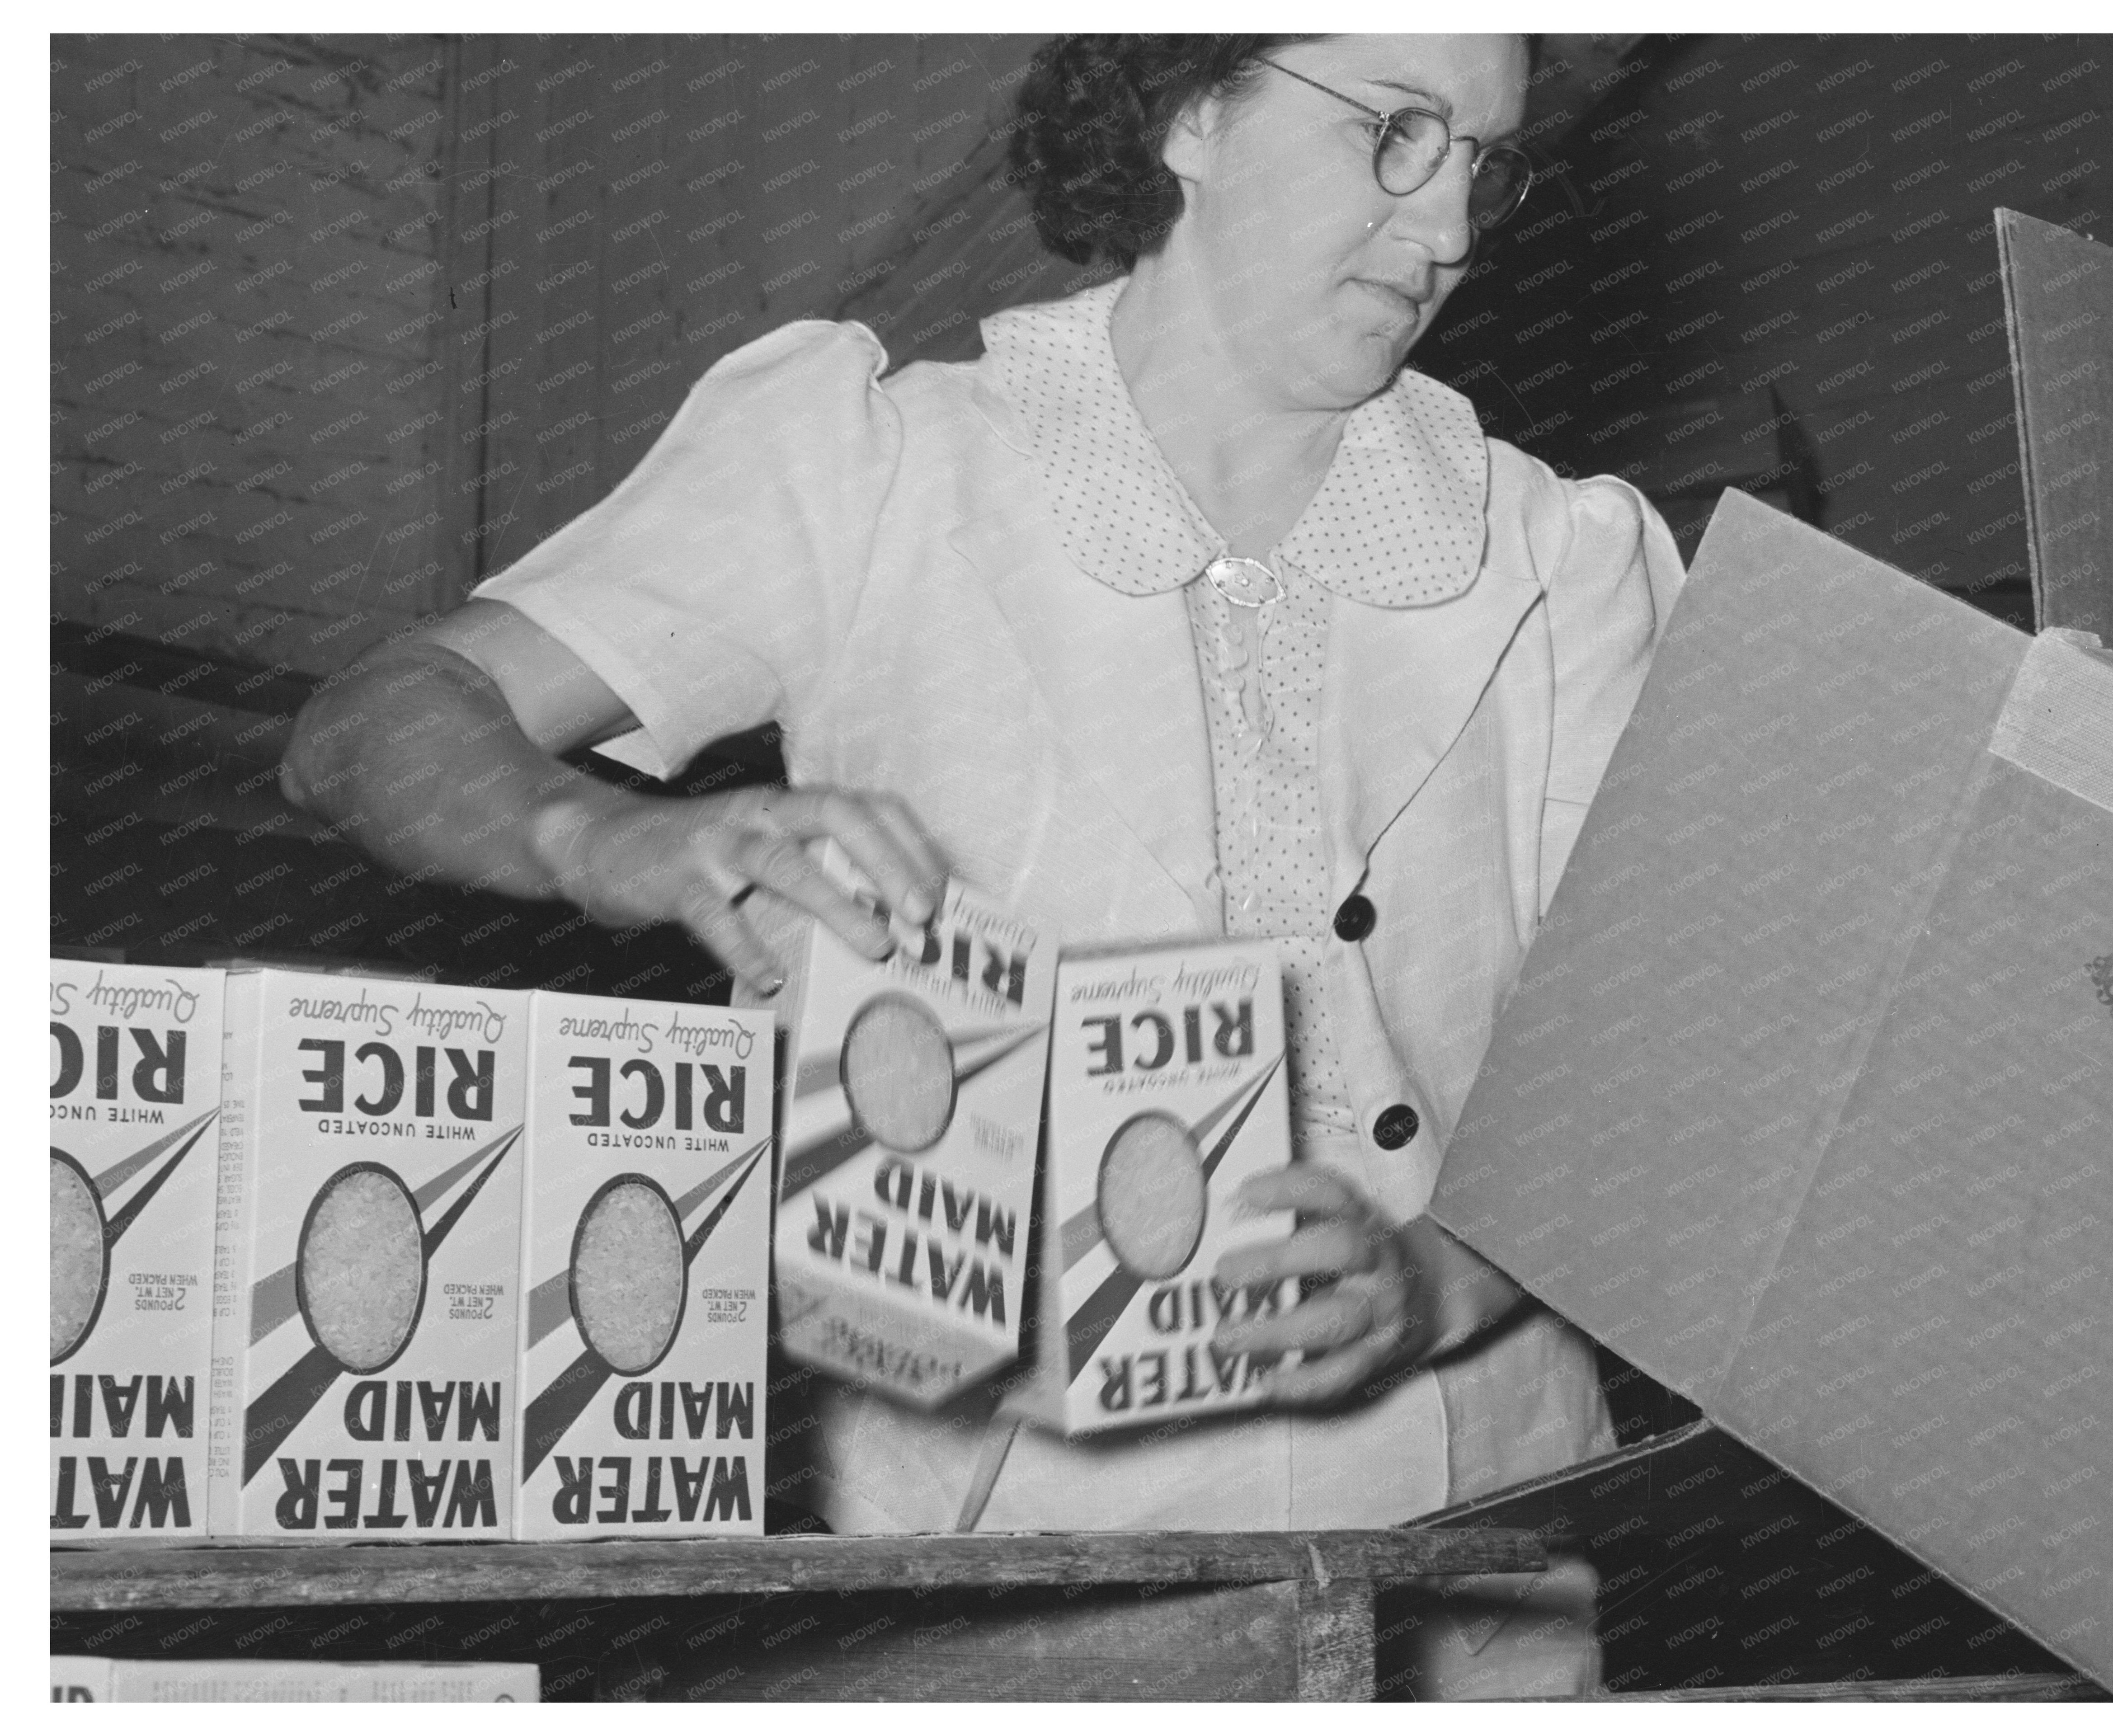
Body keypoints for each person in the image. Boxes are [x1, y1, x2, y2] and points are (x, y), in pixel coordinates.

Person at [283, 33, 1685, 1698]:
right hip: (1009, 1581)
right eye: (1396, 132)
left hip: (1471, 1565)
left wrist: (1435, 1282)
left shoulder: (1558, 558)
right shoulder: (874, 468)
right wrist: (606, 834)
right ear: (1194, 111)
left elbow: (1665, 1073)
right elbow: (371, 723)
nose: (1449, 223)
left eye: (1487, 162)